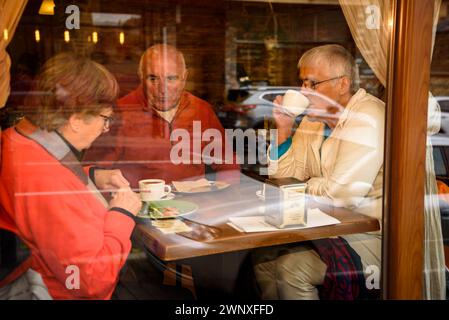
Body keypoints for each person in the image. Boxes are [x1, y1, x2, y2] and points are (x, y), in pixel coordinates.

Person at [0, 53, 142, 299]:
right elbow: (92, 281)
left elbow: (54, 181)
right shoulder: (45, 179)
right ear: (75, 119)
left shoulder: (23, 137)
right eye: (104, 119)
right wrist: (123, 214)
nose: (105, 128)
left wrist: (93, 175)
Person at [253, 44, 385, 300]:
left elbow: (342, 197)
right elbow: (283, 180)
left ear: (342, 84)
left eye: (312, 84)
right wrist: (283, 130)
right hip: (321, 227)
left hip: (368, 236)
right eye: (302, 83)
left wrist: (304, 186)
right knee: (263, 257)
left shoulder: (368, 117)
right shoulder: (313, 121)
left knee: (293, 268)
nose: (303, 91)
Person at [84, 44, 240, 188]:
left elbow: (227, 162)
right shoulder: (120, 112)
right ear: (141, 76)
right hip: (140, 210)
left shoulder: (201, 109)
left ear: (184, 78)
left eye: (171, 78)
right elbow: (93, 172)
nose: (163, 89)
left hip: (195, 208)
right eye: (153, 79)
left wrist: (225, 198)